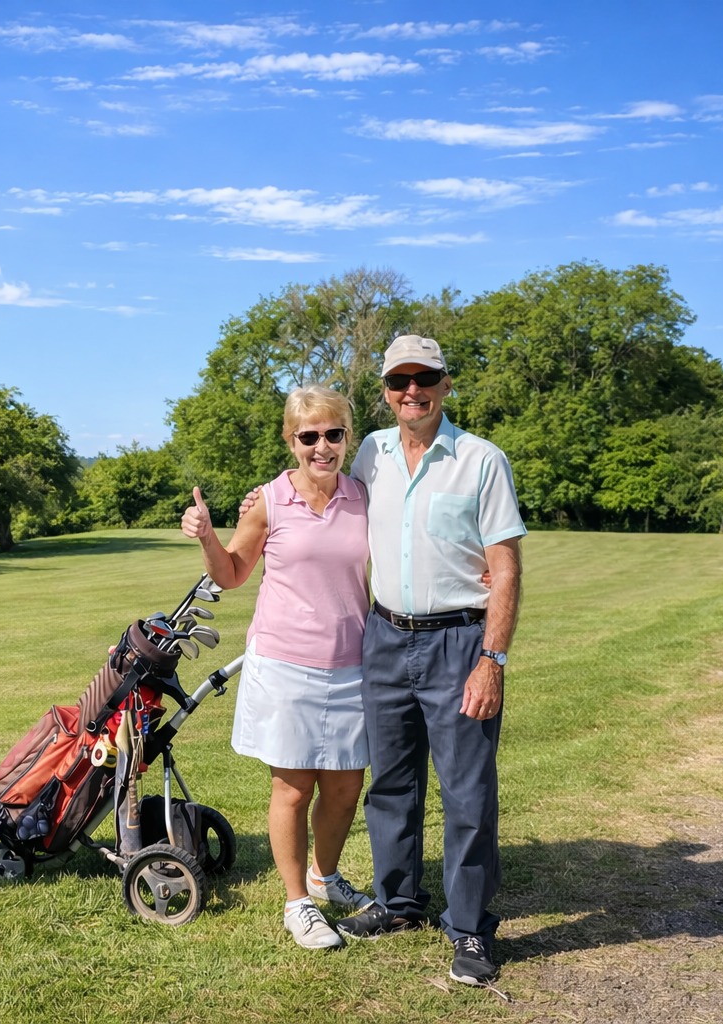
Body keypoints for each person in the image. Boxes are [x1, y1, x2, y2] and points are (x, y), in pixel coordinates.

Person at [332, 335, 524, 987]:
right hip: (385, 638)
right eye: (398, 381)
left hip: (460, 642)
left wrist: (490, 659)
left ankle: (469, 927)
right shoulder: (371, 453)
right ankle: (397, 902)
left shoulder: (481, 460)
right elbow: (333, 516)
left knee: (467, 791)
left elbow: (505, 569)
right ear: (385, 391)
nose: (410, 390)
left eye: (424, 378)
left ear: (444, 384)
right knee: (391, 783)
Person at [181, 384, 374, 950]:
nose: (322, 446)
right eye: (308, 436)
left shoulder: (364, 496)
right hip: (286, 664)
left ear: (346, 438)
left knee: (344, 787)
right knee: (292, 787)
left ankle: (326, 875)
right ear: (291, 441)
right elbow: (234, 572)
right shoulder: (268, 500)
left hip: (353, 663)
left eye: (333, 434)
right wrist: (208, 536)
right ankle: (298, 903)